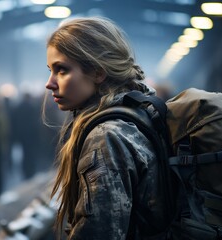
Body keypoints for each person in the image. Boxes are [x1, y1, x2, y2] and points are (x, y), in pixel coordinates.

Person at [45, 17, 171, 239]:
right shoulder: (138, 112)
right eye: (50, 70)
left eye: (61, 70)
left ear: (98, 72)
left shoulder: (106, 137)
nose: (50, 82)